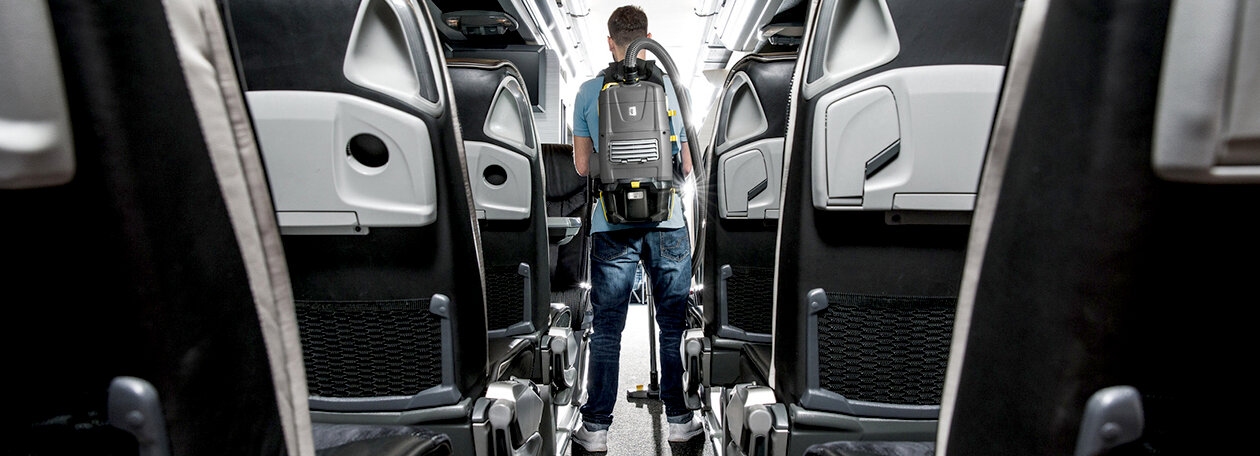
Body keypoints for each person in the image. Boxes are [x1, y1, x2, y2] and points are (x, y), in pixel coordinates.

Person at [569, 4, 701, 453]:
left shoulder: (588, 92)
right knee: (671, 326)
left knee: (607, 329)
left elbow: (583, 166)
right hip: (668, 222)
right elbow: (688, 164)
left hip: (611, 223)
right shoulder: (673, 89)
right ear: (648, 37)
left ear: (610, 41)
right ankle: (680, 421)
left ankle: (596, 429)